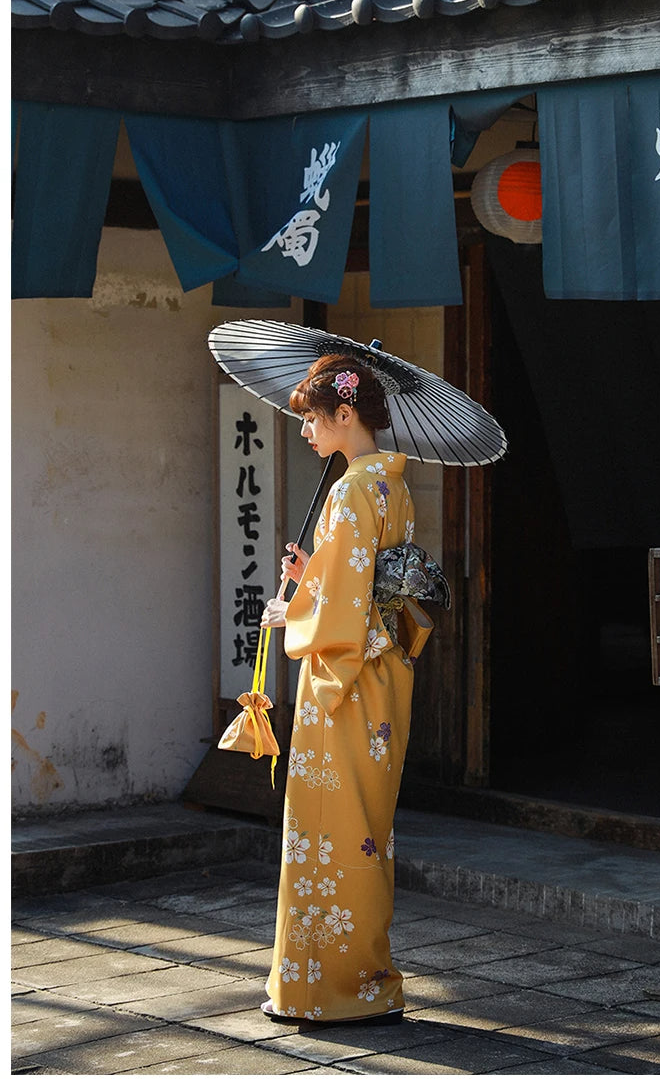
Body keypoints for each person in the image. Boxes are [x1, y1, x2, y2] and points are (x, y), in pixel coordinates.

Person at [260, 354, 429, 1029]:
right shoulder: (391, 486)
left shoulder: (350, 490)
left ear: (345, 414)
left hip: (343, 682)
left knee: (327, 829)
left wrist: (289, 608)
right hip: (380, 680)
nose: (305, 428)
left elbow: (342, 607)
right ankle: (368, 980)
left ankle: (324, 987)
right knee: (366, 831)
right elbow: (361, 581)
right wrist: (313, 570)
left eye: (311, 416)